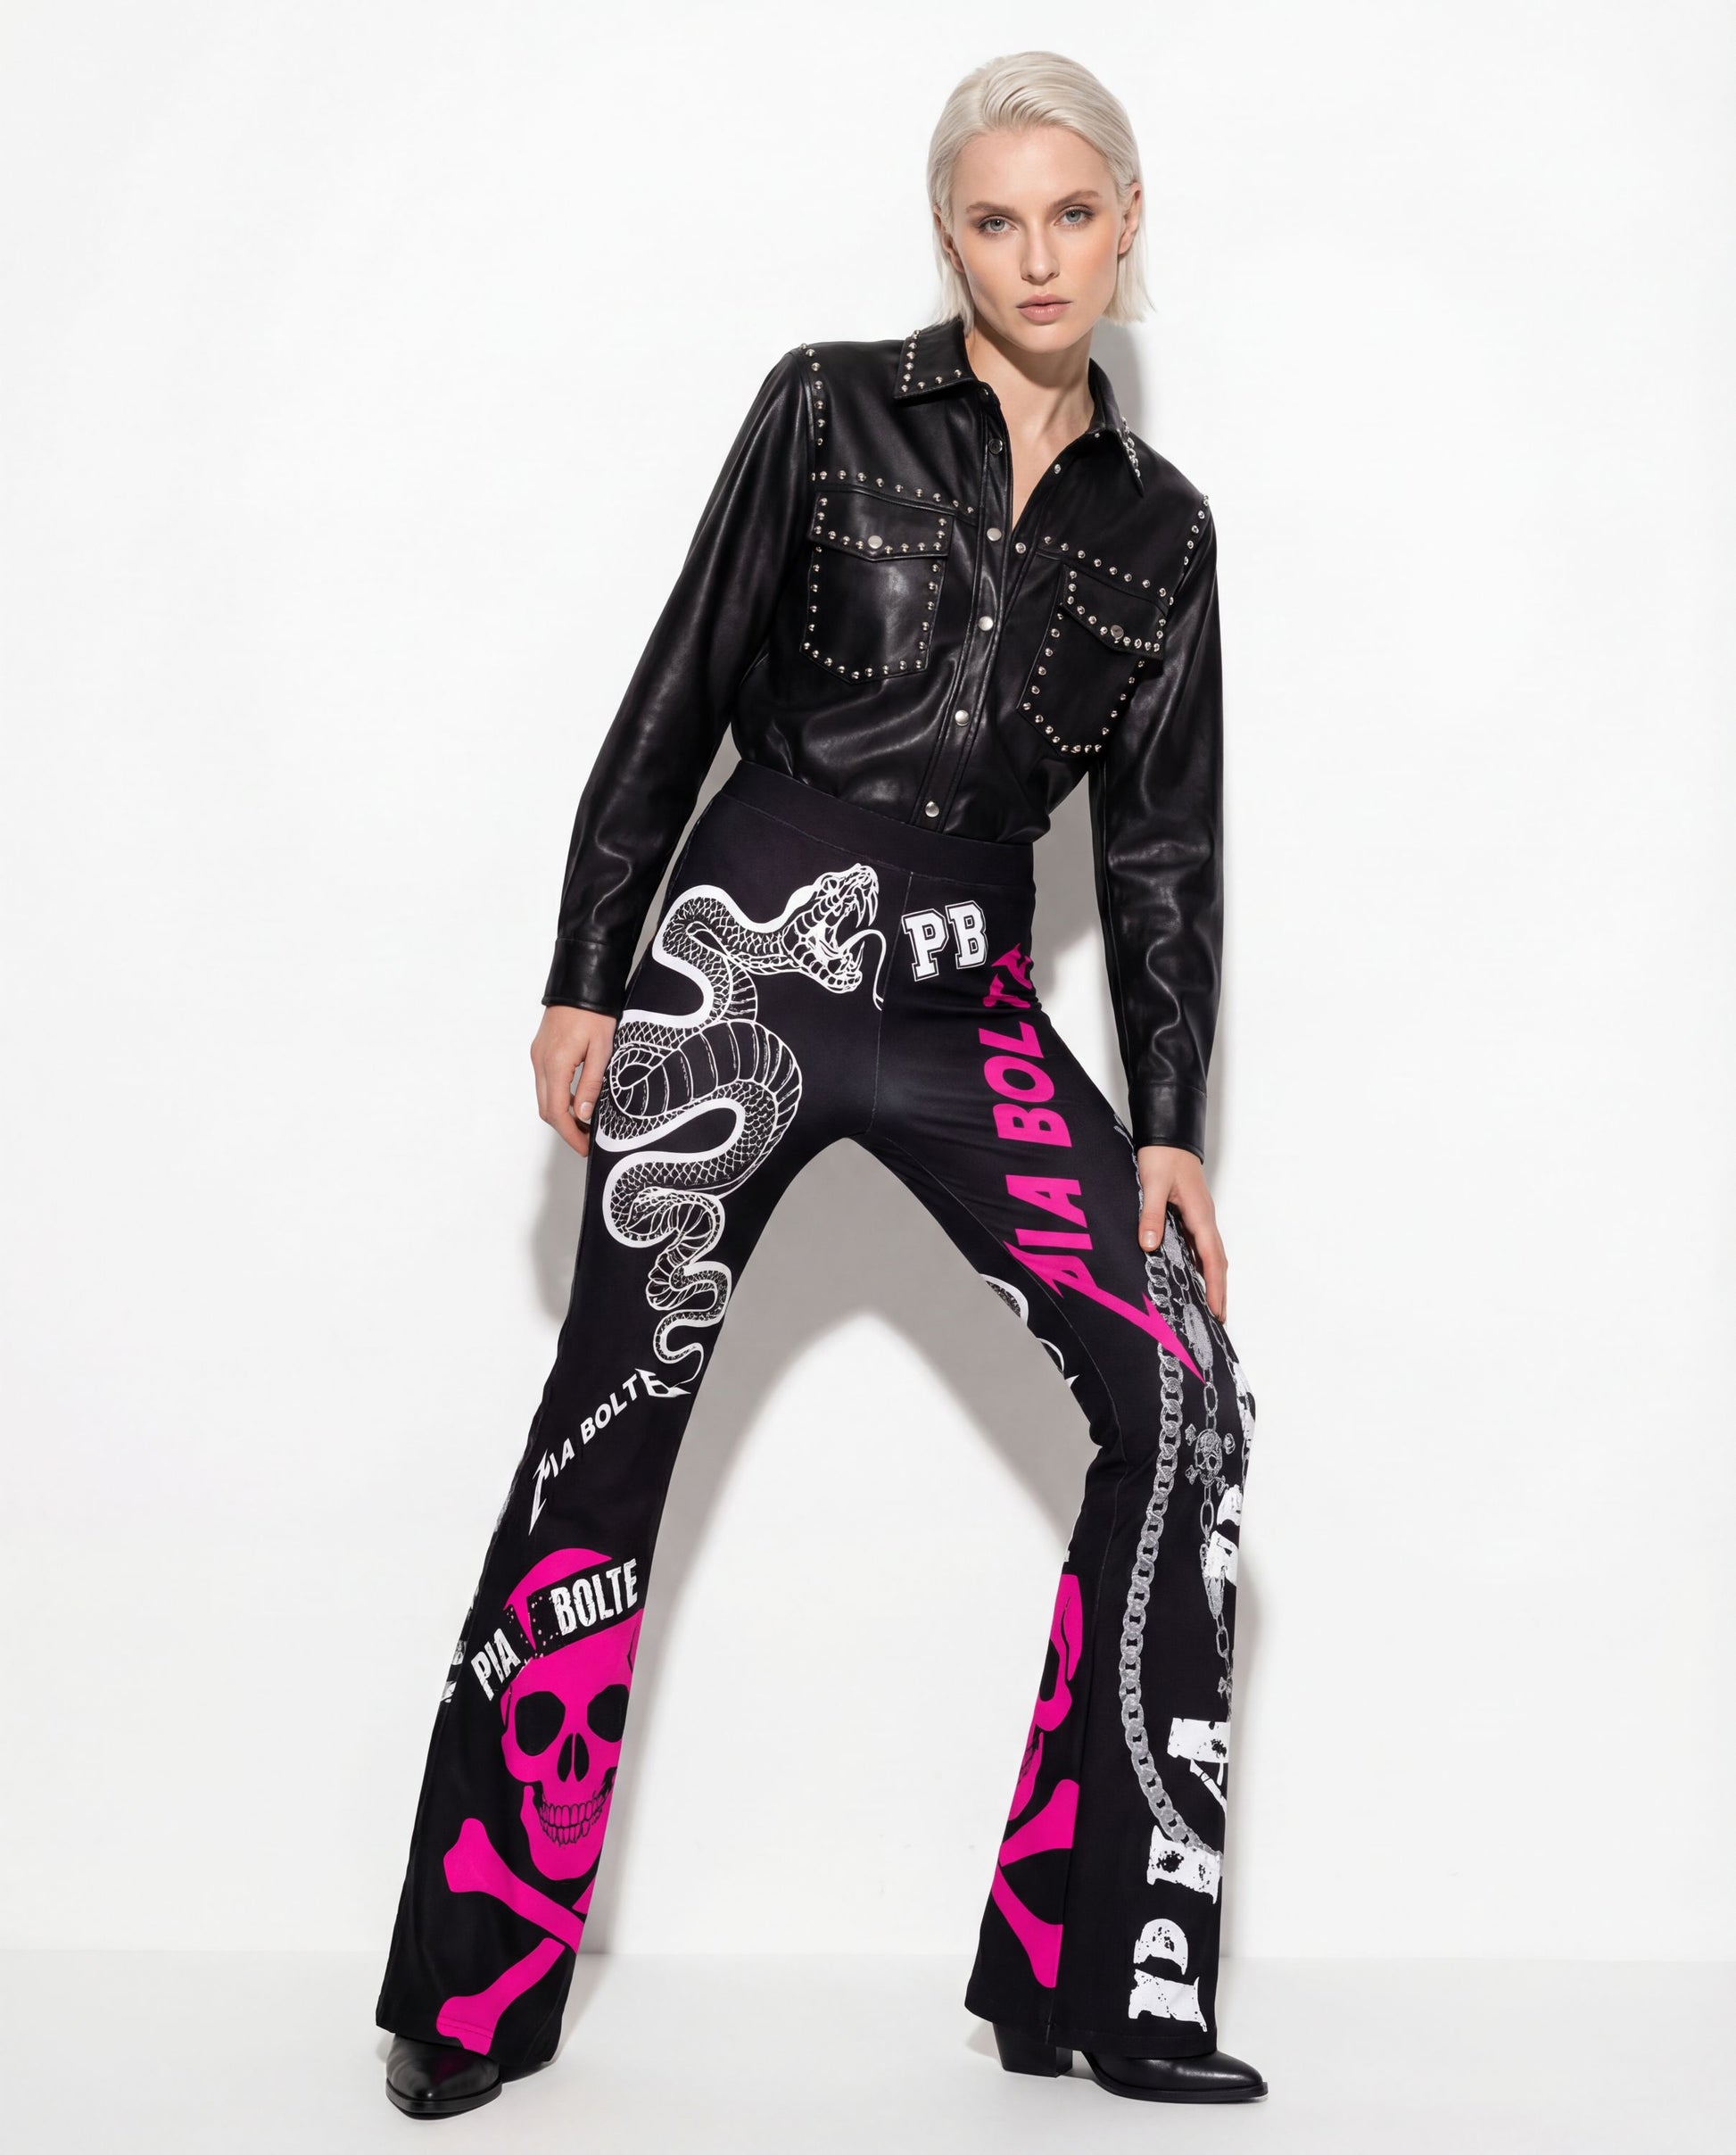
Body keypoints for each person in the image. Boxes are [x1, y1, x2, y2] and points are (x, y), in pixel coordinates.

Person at [376, 48, 1265, 2118]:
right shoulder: (824, 407)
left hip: (965, 997)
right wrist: (588, 966)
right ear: (946, 233)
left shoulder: (1162, 529)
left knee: (1185, 1405)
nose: (1034, 256)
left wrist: (1166, 1124)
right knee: (607, 1432)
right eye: (994, 219)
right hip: (743, 952)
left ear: (1126, 225)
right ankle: (471, 1989)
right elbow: (677, 682)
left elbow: (1158, 847)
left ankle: (1098, 1976)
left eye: (1071, 214)